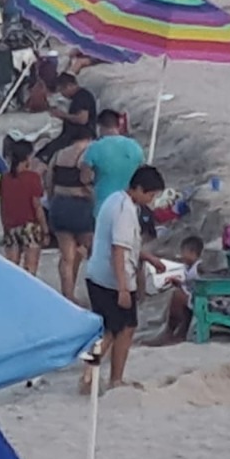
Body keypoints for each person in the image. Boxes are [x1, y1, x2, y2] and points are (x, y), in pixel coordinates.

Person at [82, 165, 166, 391]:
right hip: (110, 280)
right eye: (150, 194)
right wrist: (122, 288)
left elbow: (127, 246)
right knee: (117, 329)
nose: (151, 199)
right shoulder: (124, 210)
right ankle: (100, 378)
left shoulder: (116, 200)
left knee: (117, 329)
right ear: (138, 188)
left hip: (100, 276)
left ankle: (99, 377)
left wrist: (149, 258)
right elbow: (118, 250)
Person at [48, 135, 95, 304]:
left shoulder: (59, 154)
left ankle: (67, 296)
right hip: (80, 206)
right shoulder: (87, 154)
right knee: (91, 250)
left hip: (59, 204)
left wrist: (52, 201)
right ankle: (97, 293)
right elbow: (87, 181)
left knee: (66, 256)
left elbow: (49, 182)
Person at [0, 139, 48, 274]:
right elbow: (37, 206)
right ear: (27, 157)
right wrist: (45, 229)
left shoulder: (4, 178)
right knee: (30, 268)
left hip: (11, 226)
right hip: (30, 226)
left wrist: (5, 227)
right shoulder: (33, 178)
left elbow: (3, 206)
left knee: (11, 268)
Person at [151, 235, 210, 345]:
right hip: (194, 295)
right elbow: (189, 284)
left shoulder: (200, 267)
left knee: (177, 296)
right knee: (177, 295)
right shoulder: (188, 267)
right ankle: (180, 332)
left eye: (184, 252)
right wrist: (179, 283)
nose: (181, 256)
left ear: (192, 253)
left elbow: (202, 282)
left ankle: (170, 331)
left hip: (203, 297)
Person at [83, 109, 145, 213]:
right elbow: (143, 173)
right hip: (128, 204)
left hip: (103, 205)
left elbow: (84, 178)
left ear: (99, 126)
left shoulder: (94, 147)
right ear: (118, 125)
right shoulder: (135, 146)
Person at [38, 73, 97, 161]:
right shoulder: (77, 97)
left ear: (70, 86)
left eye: (62, 90)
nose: (62, 94)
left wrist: (62, 115)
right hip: (71, 134)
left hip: (79, 135)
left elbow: (82, 119)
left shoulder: (82, 96)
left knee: (48, 153)